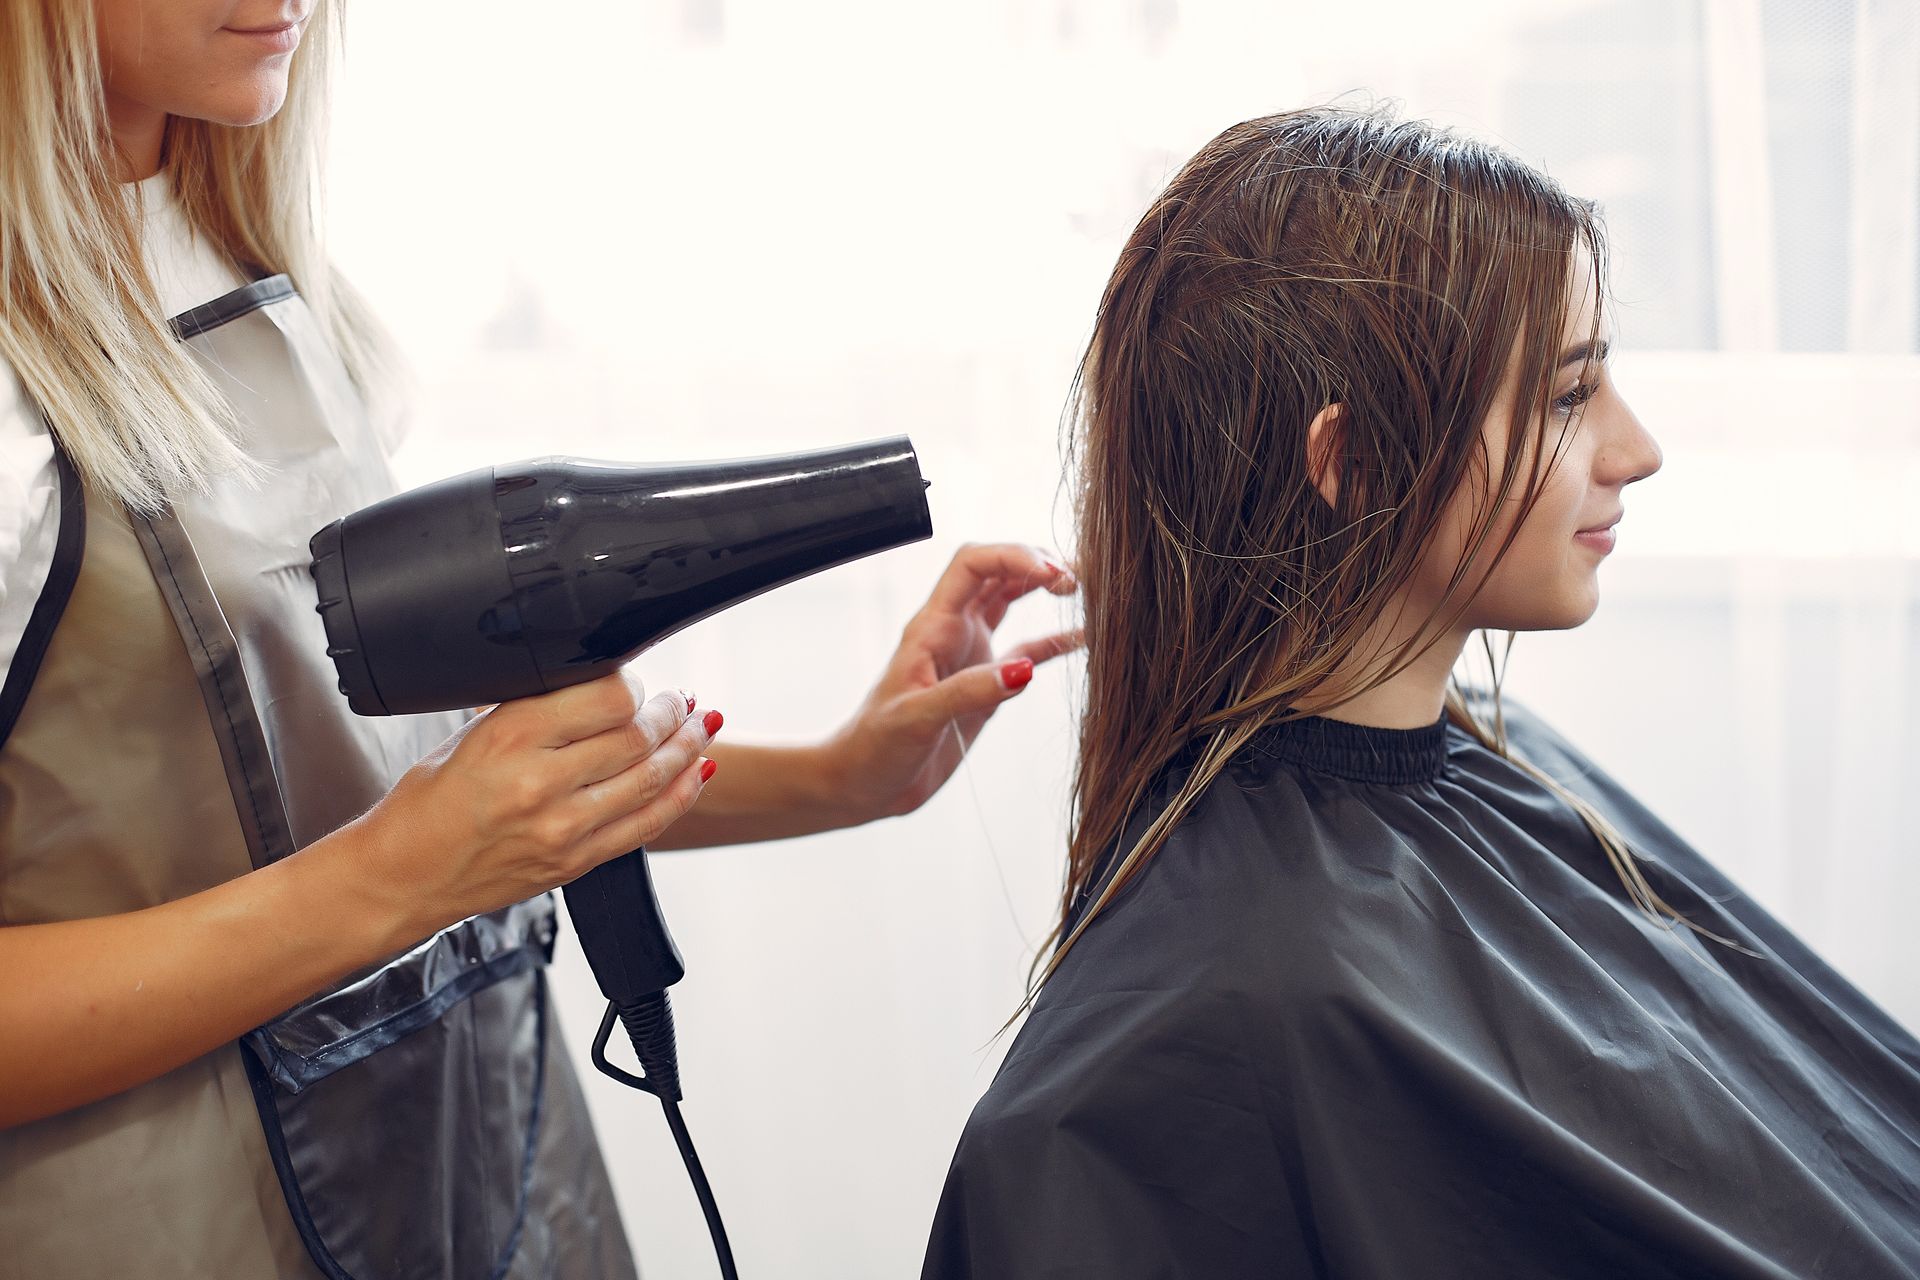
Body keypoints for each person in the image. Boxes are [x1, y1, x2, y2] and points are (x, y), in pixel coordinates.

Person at [0, 3, 1080, 1276]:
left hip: (482, 1167)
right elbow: (410, 843)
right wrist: (394, 879)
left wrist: (847, 776)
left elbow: (412, 772)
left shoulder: (249, 264)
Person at [921, 103, 1920, 1279]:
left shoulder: (1492, 759)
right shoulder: (1216, 1008)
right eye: (1564, 395)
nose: (1635, 447)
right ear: (1352, 462)